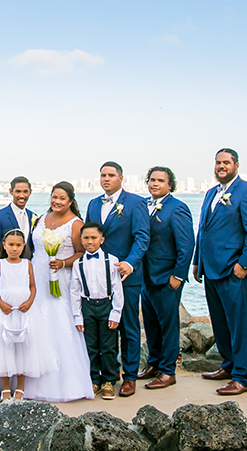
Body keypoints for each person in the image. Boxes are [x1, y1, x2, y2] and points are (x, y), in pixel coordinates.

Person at [192, 148, 247, 396]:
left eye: (226, 162)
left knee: (239, 324)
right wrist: (196, 262)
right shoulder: (212, 193)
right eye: (218, 162)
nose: (221, 166)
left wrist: (244, 263)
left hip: (234, 270)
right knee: (220, 323)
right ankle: (228, 365)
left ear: (236, 165)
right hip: (210, 269)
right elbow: (203, 230)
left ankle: (242, 377)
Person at [25, 181, 95, 402]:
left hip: (61, 279)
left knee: (59, 324)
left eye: (62, 198)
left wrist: (63, 263)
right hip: (35, 275)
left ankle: (62, 383)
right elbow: (32, 248)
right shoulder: (40, 219)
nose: (56, 201)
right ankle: (25, 379)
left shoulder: (76, 224)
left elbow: (81, 252)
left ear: (71, 201)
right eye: (54, 197)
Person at [85, 161, 150, 397]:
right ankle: (105, 377)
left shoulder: (136, 203)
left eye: (111, 175)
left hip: (126, 276)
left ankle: (130, 377)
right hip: (98, 280)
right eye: (103, 175)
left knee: (129, 327)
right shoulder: (93, 204)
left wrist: (130, 263)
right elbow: (89, 237)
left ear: (121, 178)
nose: (106, 179)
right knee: (104, 328)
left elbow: (142, 237)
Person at [139, 166, 195, 391]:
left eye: (160, 181)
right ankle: (153, 364)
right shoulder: (142, 205)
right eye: (152, 180)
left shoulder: (177, 208)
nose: (155, 184)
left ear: (170, 185)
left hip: (166, 278)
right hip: (145, 278)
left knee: (168, 326)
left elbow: (186, 245)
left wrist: (178, 276)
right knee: (151, 325)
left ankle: (168, 371)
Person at [0, 229, 47, 400]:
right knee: (3, 345)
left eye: (18, 245)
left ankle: (20, 386)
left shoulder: (27, 264)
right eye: (11, 245)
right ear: (4, 246)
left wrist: (30, 302)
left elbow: (32, 286)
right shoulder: (0, 264)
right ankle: (5, 386)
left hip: (24, 309)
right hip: (5, 309)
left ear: (23, 246)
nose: (15, 249)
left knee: (24, 346)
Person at [71, 222, 124, 400]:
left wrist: (116, 312)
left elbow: (117, 289)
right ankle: (94, 379)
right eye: (86, 238)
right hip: (87, 306)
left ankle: (109, 381)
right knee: (90, 346)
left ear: (102, 239)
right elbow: (74, 291)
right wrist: (77, 316)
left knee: (108, 346)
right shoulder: (78, 263)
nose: (90, 241)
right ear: (81, 240)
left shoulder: (112, 260)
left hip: (106, 306)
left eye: (94, 238)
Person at [0, 177, 38, 255]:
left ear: (30, 192)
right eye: (18, 191)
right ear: (11, 192)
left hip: (28, 265)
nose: (22, 195)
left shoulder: (33, 216)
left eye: (25, 191)